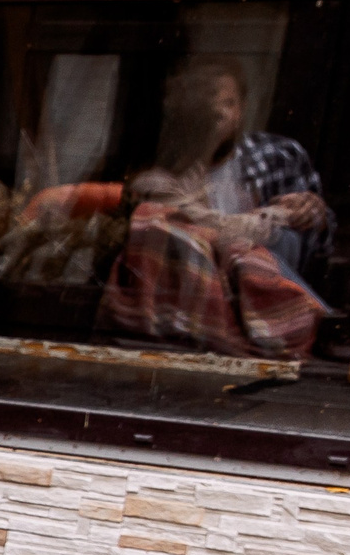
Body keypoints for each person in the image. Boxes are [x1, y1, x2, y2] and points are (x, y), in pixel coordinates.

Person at [97, 57, 334, 361]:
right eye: (207, 107)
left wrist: (308, 211)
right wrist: (274, 215)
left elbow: (319, 240)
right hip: (197, 303)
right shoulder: (161, 179)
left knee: (278, 240)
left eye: (228, 103)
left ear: (243, 109)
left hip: (260, 296)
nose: (219, 114)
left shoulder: (274, 157)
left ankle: (306, 321)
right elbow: (211, 229)